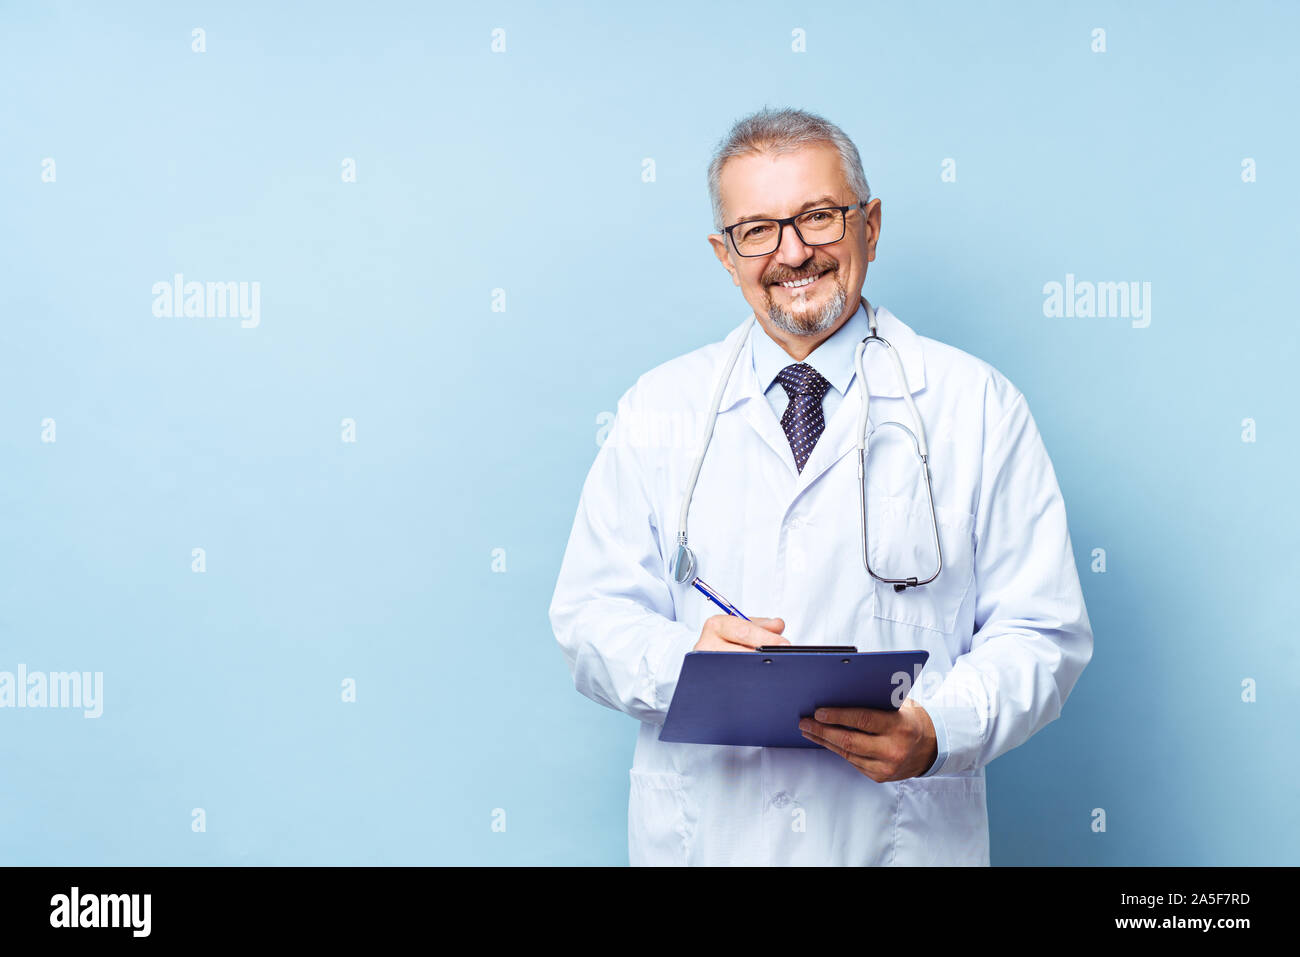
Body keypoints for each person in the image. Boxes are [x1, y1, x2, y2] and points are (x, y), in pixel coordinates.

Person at [548, 107, 1093, 866]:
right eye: (759, 230)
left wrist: (940, 728)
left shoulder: (977, 405)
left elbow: (1042, 631)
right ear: (725, 253)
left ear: (869, 225)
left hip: (897, 840)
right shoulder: (659, 408)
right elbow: (589, 614)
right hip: (709, 837)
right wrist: (687, 666)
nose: (793, 252)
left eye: (819, 217)